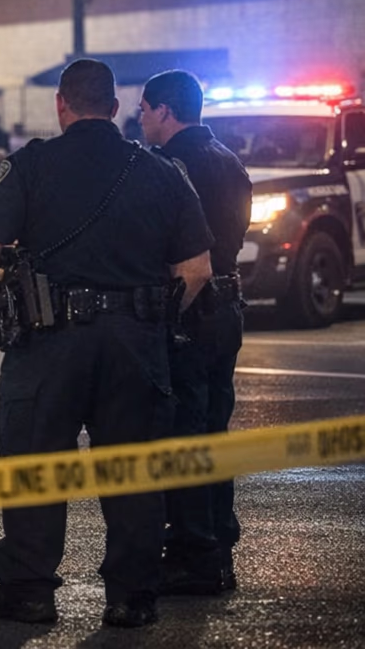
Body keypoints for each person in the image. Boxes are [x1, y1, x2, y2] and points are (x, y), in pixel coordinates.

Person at [0, 58, 214, 629]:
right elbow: (196, 268)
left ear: (61, 104)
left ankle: (29, 591)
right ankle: (132, 596)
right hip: (136, 343)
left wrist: (3, 290)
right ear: (117, 108)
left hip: (48, 343)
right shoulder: (161, 171)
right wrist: (150, 318)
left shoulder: (29, 166)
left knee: (34, 463)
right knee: (133, 470)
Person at [139, 69, 252, 596]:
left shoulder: (169, 166)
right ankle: (218, 544)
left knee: (182, 432)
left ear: (165, 111)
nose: (139, 119)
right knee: (212, 427)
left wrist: (170, 316)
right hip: (228, 308)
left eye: (143, 109)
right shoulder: (229, 159)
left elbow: (182, 257)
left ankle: (192, 553)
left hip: (190, 308)